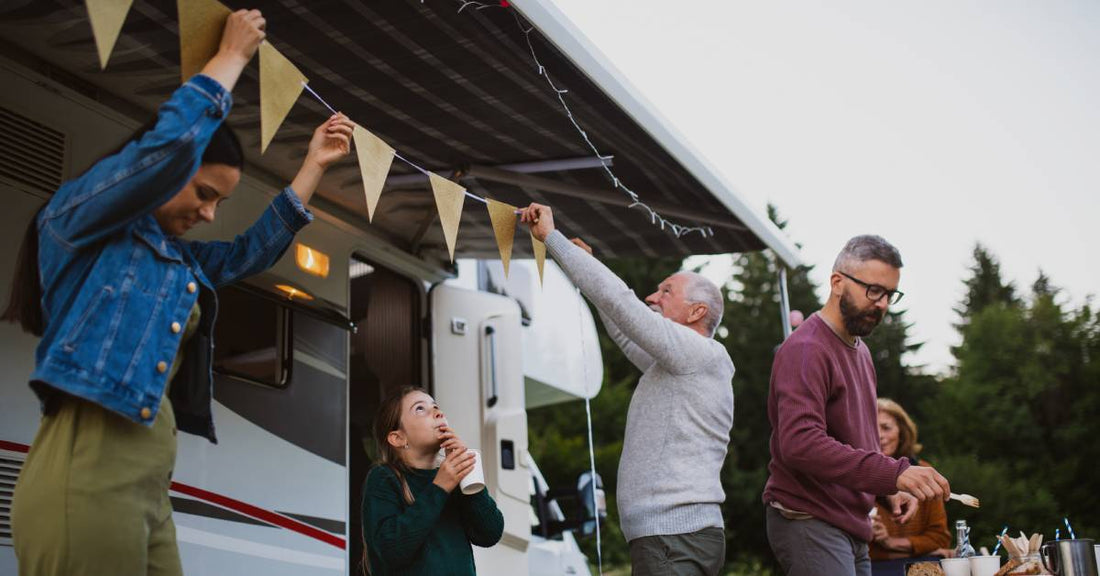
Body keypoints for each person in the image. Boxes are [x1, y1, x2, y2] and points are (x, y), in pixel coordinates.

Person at [3, 10, 354, 576]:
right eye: (205, 193)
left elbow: (249, 253)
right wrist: (232, 57)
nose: (209, 213)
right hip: (87, 477)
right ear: (168, 171)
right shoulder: (77, 225)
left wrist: (313, 163)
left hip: (149, 487)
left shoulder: (173, 260)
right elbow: (165, 149)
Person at [521, 204, 733, 576]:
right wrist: (584, 267)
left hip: (676, 537)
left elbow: (624, 305)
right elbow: (623, 323)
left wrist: (553, 240)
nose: (653, 297)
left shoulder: (697, 353)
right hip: (672, 537)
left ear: (697, 312)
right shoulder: (674, 363)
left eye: (666, 291)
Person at [763, 235, 953, 576]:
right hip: (810, 518)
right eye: (874, 290)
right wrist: (895, 472)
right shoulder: (806, 349)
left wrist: (886, 489)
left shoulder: (861, 351)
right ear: (837, 282)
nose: (882, 304)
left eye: (890, 295)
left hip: (852, 523)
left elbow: (859, 443)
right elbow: (800, 444)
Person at [361, 387, 504, 575]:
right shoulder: (384, 478)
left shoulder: (453, 479)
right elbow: (389, 551)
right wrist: (440, 487)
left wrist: (469, 477)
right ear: (398, 438)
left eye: (435, 406)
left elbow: (490, 534)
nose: (438, 413)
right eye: (420, 409)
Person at [870, 399, 952, 565]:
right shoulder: (857, 477)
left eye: (886, 427)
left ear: (901, 433)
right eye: (872, 428)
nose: (879, 435)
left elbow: (940, 538)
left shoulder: (923, 472)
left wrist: (891, 543)